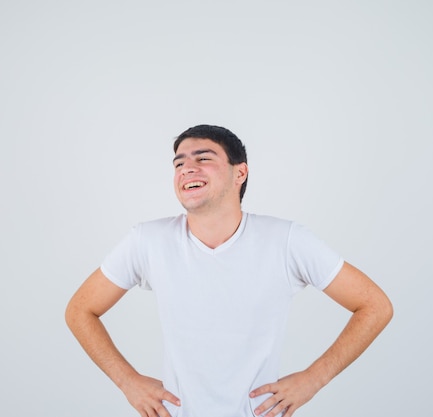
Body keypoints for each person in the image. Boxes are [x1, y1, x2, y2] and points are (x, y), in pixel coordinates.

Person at [65, 124, 393, 417]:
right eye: (179, 163)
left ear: (240, 173)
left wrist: (314, 379)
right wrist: (127, 381)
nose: (186, 168)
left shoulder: (286, 241)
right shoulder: (148, 240)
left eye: (202, 158)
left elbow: (375, 306)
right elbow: (80, 310)